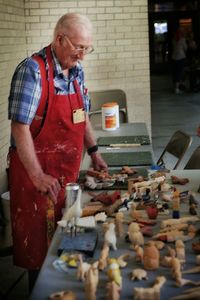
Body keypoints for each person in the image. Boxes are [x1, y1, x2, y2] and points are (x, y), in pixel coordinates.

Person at [8, 12, 107, 291]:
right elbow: (20, 128)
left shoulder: (76, 71)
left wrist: (95, 150)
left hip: (67, 178)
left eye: (87, 48)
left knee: (70, 247)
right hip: (34, 182)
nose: (83, 55)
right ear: (59, 39)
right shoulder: (32, 70)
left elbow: (82, 114)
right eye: (79, 47)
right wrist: (38, 175)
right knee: (40, 260)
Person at [171, 28, 187, 94]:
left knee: (175, 72)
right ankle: (177, 88)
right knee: (180, 72)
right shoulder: (183, 40)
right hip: (181, 57)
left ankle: (176, 87)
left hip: (174, 58)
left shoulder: (173, 40)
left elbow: (173, 48)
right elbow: (185, 48)